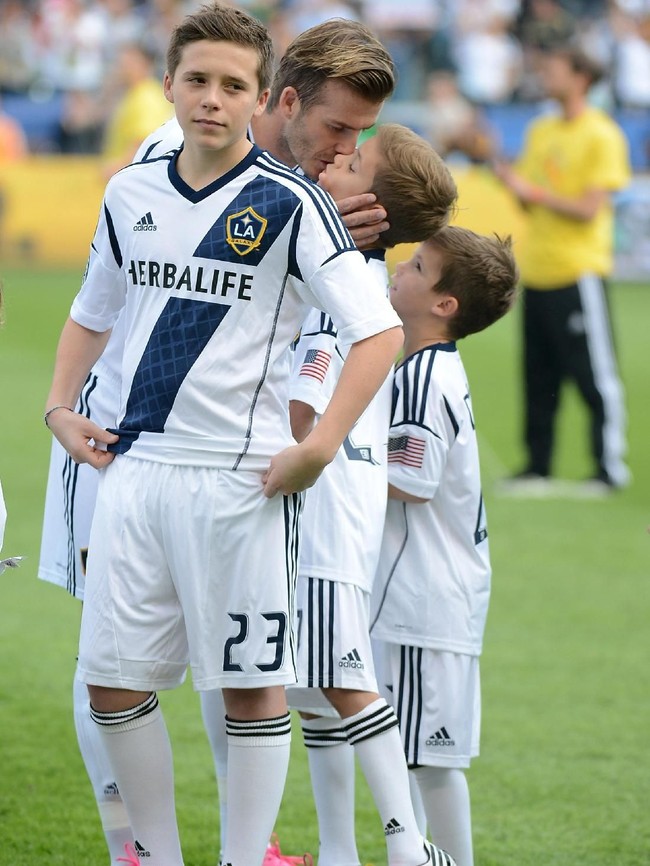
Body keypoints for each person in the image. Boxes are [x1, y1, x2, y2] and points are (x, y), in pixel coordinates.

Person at [43, 7, 404, 866]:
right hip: (131, 464)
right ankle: (151, 855)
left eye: (231, 84)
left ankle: (245, 855)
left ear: (261, 96)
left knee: (249, 683)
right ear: (167, 84)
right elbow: (93, 308)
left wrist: (318, 448)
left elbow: (377, 331)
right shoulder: (133, 188)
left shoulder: (296, 202)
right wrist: (57, 405)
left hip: (239, 479)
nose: (212, 98)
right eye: (197, 80)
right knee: (111, 677)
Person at [286, 123, 458, 866]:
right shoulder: (360, 271)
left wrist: (285, 447)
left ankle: (406, 844)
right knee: (317, 688)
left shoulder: (342, 277)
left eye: (354, 161)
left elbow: (307, 398)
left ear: (373, 207)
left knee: (344, 676)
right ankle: (338, 849)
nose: (335, 158)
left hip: (321, 502)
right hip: (343, 498)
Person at [370, 226, 518, 866]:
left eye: (417, 267)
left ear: (444, 305)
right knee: (414, 751)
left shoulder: (424, 377)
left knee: (421, 754)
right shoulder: (426, 367)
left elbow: (412, 479)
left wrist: (332, 459)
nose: (399, 269)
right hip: (431, 594)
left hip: (423, 598)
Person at [493, 45, 630, 496]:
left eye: (553, 68)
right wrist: (513, 183)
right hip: (537, 272)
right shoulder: (541, 129)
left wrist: (531, 190)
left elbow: (589, 208)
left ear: (581, 78)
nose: (545, 75)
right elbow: (529, 202)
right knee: (538, 376)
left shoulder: (601, 134)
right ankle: (538, 467)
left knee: (594, 376)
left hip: (578, 272)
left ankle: (608, 468)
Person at [100, 39, 174, 178]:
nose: (121, 69)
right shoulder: (134, 94)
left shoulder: (146, 96)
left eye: (127, 63)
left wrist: (117, 169)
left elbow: (144, 141)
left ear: (143, 64)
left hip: (131, 178)